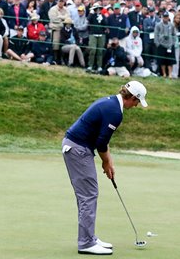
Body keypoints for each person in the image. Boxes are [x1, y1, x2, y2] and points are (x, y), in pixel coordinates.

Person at [62, 81, 148, 256]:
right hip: (78, 149)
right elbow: (101, 143)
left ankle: (89, 237)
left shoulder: (110, 103)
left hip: (77, 147)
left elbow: (103, 139)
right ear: (131, 98)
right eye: (137, 102)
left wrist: (110, 162)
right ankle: (86, 243)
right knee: (88, 195)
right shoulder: (115, 112)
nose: (136, 105)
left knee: (87, 195)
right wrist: (105, 162)